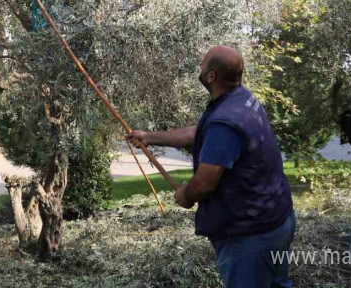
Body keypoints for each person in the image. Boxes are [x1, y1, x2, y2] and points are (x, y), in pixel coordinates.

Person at [126, 46, 295, 288]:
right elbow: (202, 133)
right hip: (277, 218)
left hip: (249, 235)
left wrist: (187, 194)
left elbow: (205, 183)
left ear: (211, 76)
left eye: (203, 64)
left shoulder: (226, 119)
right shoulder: (242, 100)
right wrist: (150, 137)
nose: (200, 68)